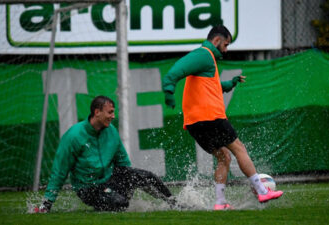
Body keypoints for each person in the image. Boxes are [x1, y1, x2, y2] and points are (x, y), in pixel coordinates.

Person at [162, 25, 283, 210]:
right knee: (239, 148)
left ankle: (219, 203)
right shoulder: (203, 54)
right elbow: (177, 69)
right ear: (217, 40)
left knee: (224, 157)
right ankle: (262, 191)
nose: (226, 50)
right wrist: (169, 88)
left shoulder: (206, 61)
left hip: (195, 123)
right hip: (211, 117)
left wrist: (230, 83)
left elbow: (211, 85)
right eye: (226, 45)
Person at [35, 96, 176, 213]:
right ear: (97, 112)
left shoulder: (112, 131)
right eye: (110, 112)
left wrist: (131, 181)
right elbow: (60, 171)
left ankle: (174, 204)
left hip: (109, 181)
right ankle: (110, 200)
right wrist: (47, 203)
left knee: (148, 177)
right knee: (119, 203)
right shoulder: (74, 136)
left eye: (113, 112)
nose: (113, 116)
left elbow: (123, 164)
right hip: (88, 188)